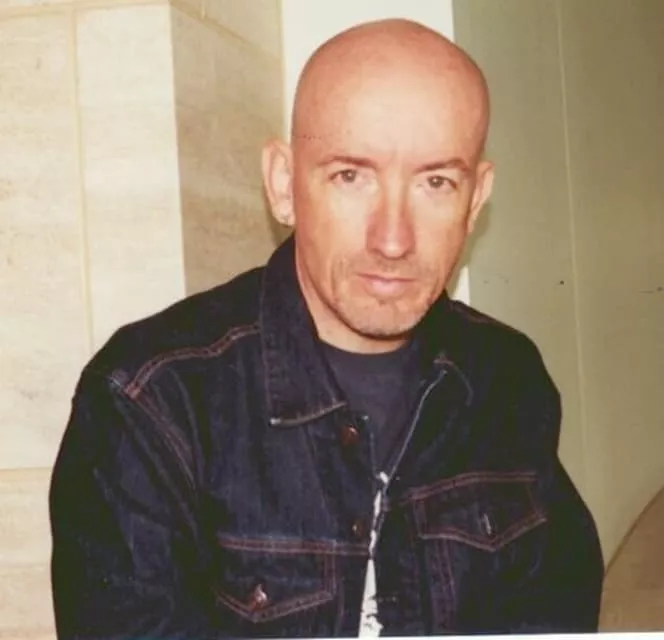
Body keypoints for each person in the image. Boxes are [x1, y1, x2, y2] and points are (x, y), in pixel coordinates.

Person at [49, 17, 604, 638]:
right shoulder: (150, 402)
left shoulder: (508, 378)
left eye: (436, 182)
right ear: (283, 185)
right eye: (350, 176)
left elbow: (558, 608)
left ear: (475, 201)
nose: (392, 239)